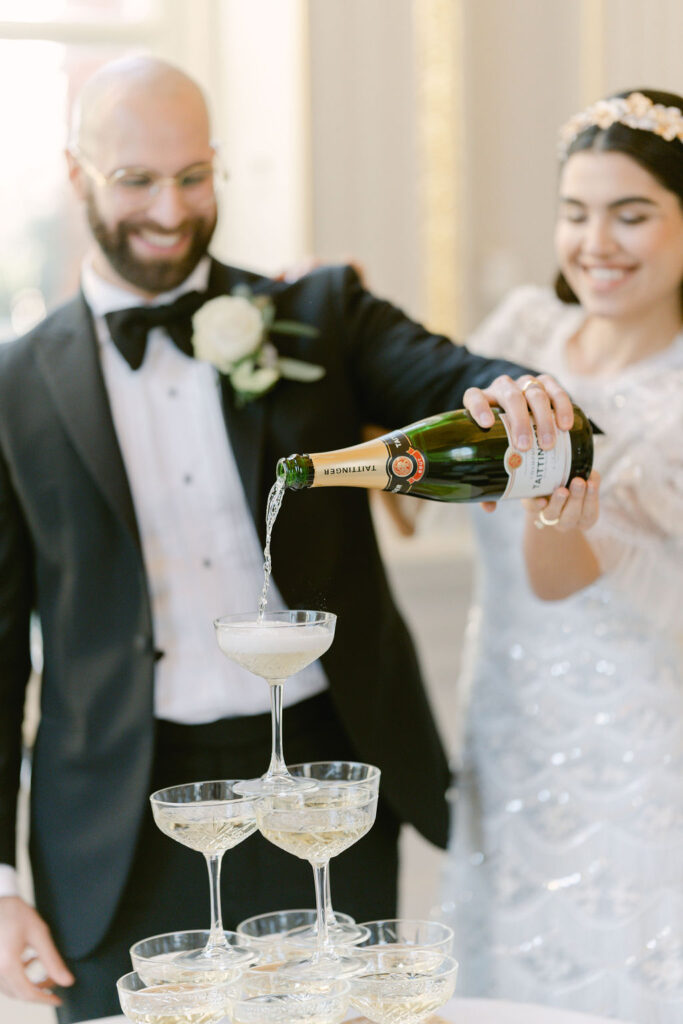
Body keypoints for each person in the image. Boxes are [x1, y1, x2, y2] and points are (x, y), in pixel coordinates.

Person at [0, 56, 574, 1022]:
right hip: (115, 822)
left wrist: (514, 397)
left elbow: (450, 377)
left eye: (193, 176)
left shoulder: (316, 314)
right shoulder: (12, 388)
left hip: (323, 786)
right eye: (135, 179)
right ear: (76, 174)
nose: (170, 210)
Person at [437, 88, 683, 1022]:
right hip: (504, 724)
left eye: (632, 215)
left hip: (631, 745)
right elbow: (425, 494)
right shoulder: (523, 332)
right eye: (575, 213)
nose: (596, 244)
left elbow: (554, 575)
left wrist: (549, 465)